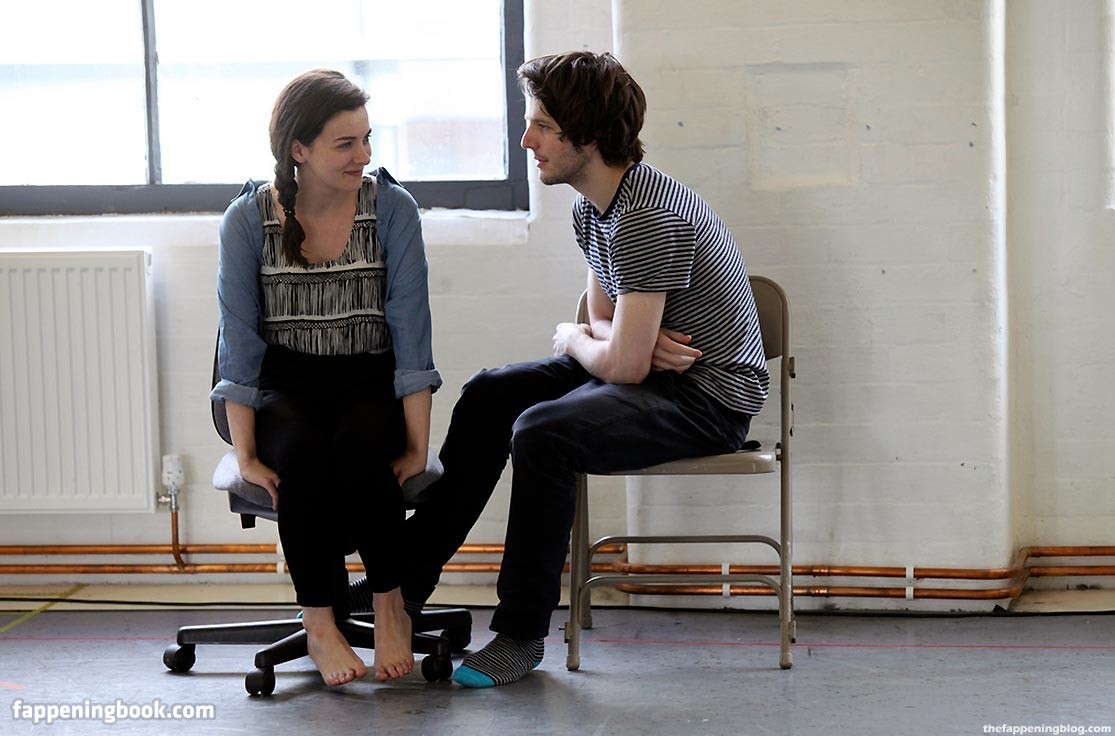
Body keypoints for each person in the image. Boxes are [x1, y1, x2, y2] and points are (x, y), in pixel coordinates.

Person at [386, 50, 770, 688]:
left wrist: (578, 340)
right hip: (656, 377)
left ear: (587, 136)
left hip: (707, 400)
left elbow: (610, 353)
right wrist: (619, 344)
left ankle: (520, 635)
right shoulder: (593, 205)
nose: (526, 140)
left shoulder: (646, 215)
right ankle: (406, 582)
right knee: (489, 393)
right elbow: (606, 324)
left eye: (542, 126)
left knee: (542, 432)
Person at [211, 69, 440, 687]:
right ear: (299, 149)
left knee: (363, 450)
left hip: (370, 377)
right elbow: (239, 348)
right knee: (304, 458)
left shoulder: (391, 209)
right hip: (285, 385)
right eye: (345, 144)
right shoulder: (247, 219)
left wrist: (417, 446)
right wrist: (246, 454)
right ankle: (318, 622)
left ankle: (390, 605)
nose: (363, 155)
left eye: (367, 139)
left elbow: (412, 336)